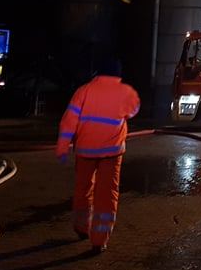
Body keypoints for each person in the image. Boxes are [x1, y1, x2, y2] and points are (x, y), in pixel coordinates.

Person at [56, 56, 140, 254]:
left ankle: (81, 227)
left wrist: (62, 146)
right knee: (107, 195)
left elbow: (68, 121)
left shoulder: (83, 91)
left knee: (83, 190)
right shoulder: (125, 92)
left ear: (98, 72)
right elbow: (133, 109)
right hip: (111, 153)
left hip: (85, 151)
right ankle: (99, 240)